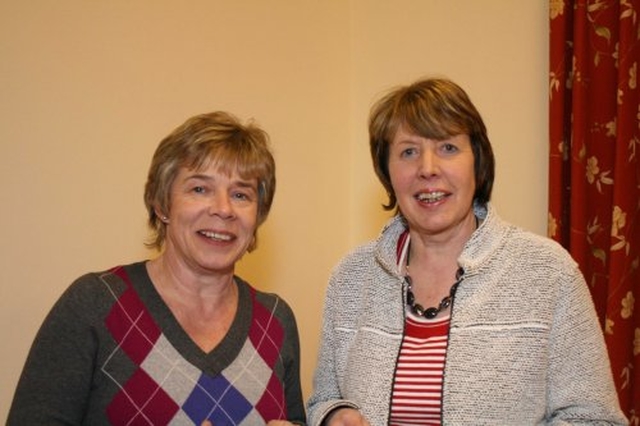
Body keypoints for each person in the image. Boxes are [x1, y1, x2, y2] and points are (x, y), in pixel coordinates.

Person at [306, 78, 627, 425]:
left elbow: (597, 419)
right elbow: (324, 398)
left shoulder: (549, 273)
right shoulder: (350, 277)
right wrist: (332, 414)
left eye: (447, 147)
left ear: (478, 161)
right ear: (388, 171)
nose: (427, 168)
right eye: (408, 151)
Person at [8, 111, 306, 425]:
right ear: (162, 204)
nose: (223, 209)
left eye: (241, 194)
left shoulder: (276, 320)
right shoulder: (96, 305)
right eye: (199, 189)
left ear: (257, 216)